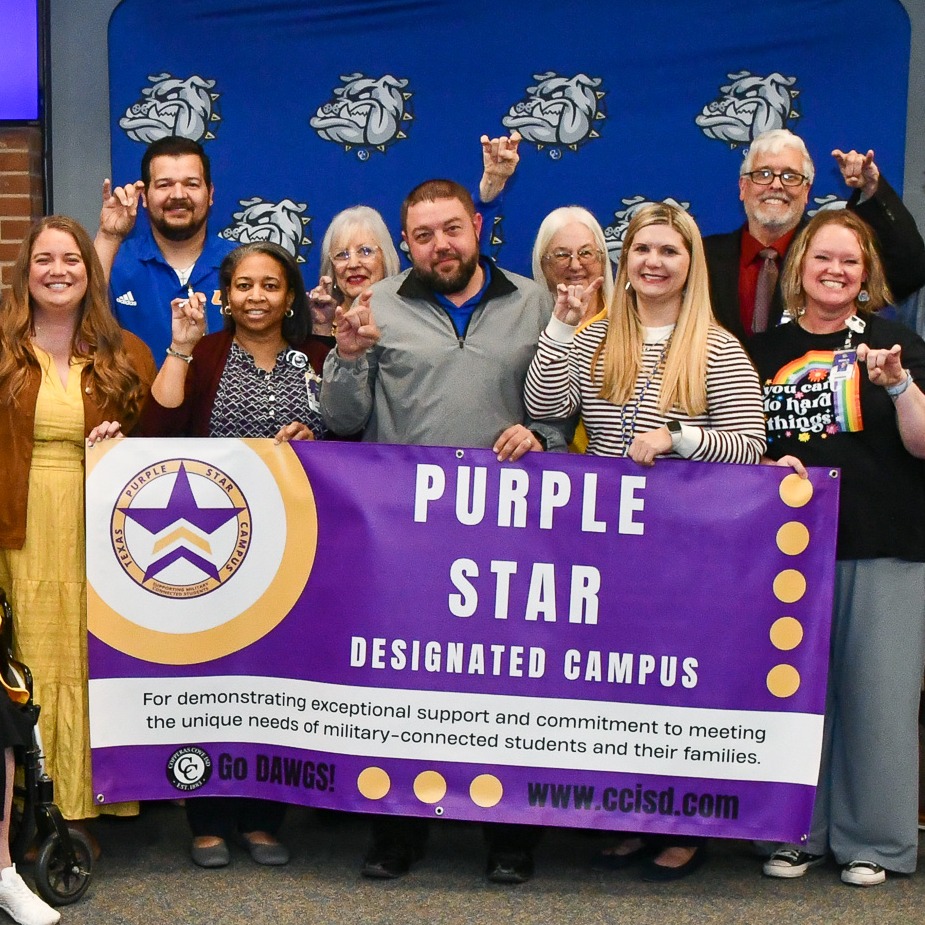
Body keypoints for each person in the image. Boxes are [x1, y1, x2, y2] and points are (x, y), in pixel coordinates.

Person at [321, 178, 567, 884]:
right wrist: (345, 352)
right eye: (423, 235)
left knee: (505, 685)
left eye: (451, 229)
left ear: (478, 225)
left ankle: (509, 834)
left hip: (509, 534)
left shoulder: (533, 302)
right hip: (406, 537)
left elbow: (560, 405)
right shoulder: (378, 305)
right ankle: (396, 829)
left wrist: (543, 431)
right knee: (401, 685)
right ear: (406, 243)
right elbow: (342, 418)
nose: (440, 245)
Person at [524, 202, 765, 881]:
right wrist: (561, 326)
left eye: (669, 251)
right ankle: (634, 814)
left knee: (678, 686)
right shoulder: (597, 336)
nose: (654, 262)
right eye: (642, 250)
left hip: (689, 552)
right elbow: (544, 406)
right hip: (608, 545)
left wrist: (679, 438)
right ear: (622, 263)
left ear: (690, 263)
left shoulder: (715, 347)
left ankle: (687, 825)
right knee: (619, 684)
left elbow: (750, 445)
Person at [750, 209, 925, 887]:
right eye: (822, 258)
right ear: (799, 267)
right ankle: (798, 832)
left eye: (849, 262)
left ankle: (873, 842)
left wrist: (900, 386)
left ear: (866, 273)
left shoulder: (897, 343)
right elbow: (739, 444)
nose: (835, 271)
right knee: (796, 697)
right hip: (788, 553)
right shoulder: (760, 351)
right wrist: (763, 467)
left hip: (884, 542)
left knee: (877, 697)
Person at [139, 241, 326, 867]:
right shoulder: (209, 353)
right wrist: (182, 347)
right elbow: (158, 430)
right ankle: (208, 818)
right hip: (212, 547)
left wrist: (312, 435)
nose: (256, 297)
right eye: (244, 285)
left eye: (270, 286)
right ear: (227, 294)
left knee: (280, 677)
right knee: (209, 676)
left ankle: (262, 818)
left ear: (289, 296)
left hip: (297, 544)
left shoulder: (315, 356)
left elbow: (348, 432)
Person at [0, 217, 156, 836]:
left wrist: (121, 437)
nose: (57, 271)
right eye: (44, 259)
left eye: (71, 259)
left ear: (90, 274)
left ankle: (82, 805)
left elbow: (162, 438)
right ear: (24, 272)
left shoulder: (125, 354)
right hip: (20, 522)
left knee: (92, 658)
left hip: (102, 527)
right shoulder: (2, 349)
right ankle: (24, 808)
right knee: (26, 658)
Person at [704, 129, 925, 341]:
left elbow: (910, 271)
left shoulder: (831, 255)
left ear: (807, 191)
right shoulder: (704, 257)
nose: (776, 185)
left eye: (790, 176)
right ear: (743, 187)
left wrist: (871, 189)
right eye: (763, 174)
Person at [308, 132, 522, 336]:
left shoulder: (418, 307)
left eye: (365, 251)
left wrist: (490, 189)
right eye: (342, 255)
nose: (353, 264)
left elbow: (465, 252)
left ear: (387, 256)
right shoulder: (315, 320)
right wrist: (322, 328)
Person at [94, 136, 237, 359]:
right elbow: (79, 321)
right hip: (137, 394)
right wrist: (109, 235)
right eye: (164, 185)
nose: (178, 195)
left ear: (210, 194)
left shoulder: (243, 263)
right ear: (144, 197)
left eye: (191, 184)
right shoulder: (116, 261)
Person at [531, 205, 614, 452]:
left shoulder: (631, 324)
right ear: (543, 263)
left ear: (602, 259)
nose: (575, 265)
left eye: (586, 253)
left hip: (612, 471)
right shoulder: (526, 325)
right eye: (561, 255)